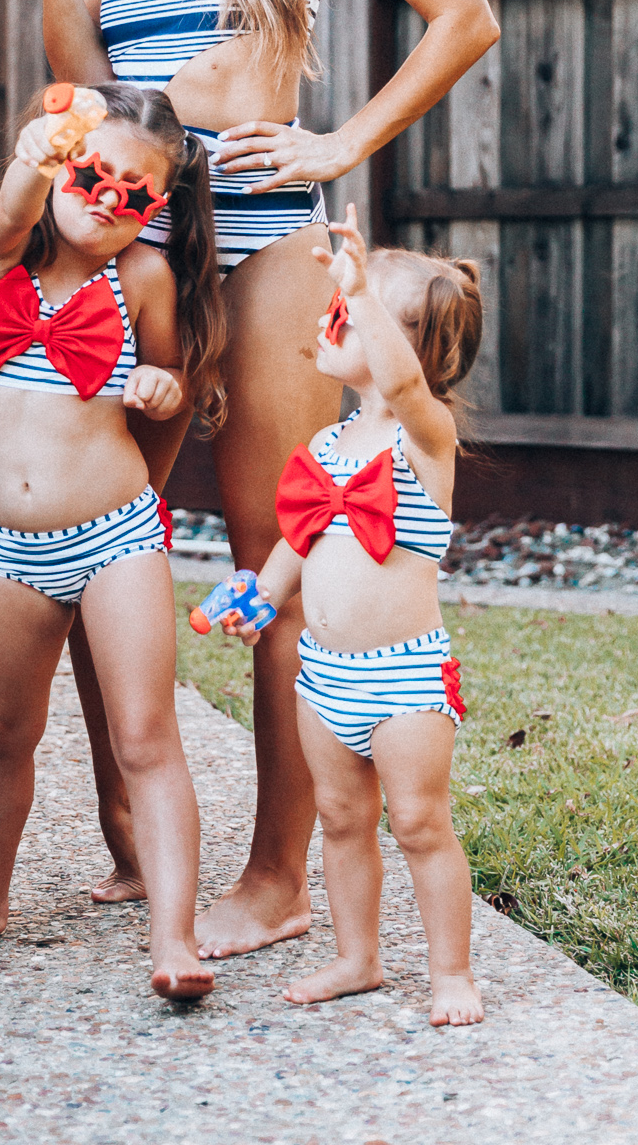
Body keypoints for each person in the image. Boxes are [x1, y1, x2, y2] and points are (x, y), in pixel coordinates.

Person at [16, 0, 499, 957]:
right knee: (93, 532)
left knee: (268, 555)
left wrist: (343, 137)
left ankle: (278, 874)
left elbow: (460, 13)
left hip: (271, 236)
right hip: (144, 238)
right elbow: (82, 84)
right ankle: (134, 844)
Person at [0, 83, 227, 998]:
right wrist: (40, 155)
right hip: (9, 549)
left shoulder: (143, 281)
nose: (107, 199)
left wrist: (163, 388)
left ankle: (175, 938)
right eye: (92, 174)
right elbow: (11, 205)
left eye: (136, 194)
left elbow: (166, 373)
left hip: (116, 536)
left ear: (156, 210)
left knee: (146, 738)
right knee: (1, 733)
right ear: (60, 161)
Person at [218, 206, 484, 1026]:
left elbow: (402, 386)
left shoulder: (423, 441)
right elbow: (300, 536)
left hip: (403, 676)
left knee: (418, 821)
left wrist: (360, 288)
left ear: (414, 351)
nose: (334, 315)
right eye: (336, 305)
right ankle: (357, 957)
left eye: (352, 312)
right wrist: (260, 594)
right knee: (340, 819)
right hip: (324, 675)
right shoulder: (330, 444)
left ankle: (451, 973)